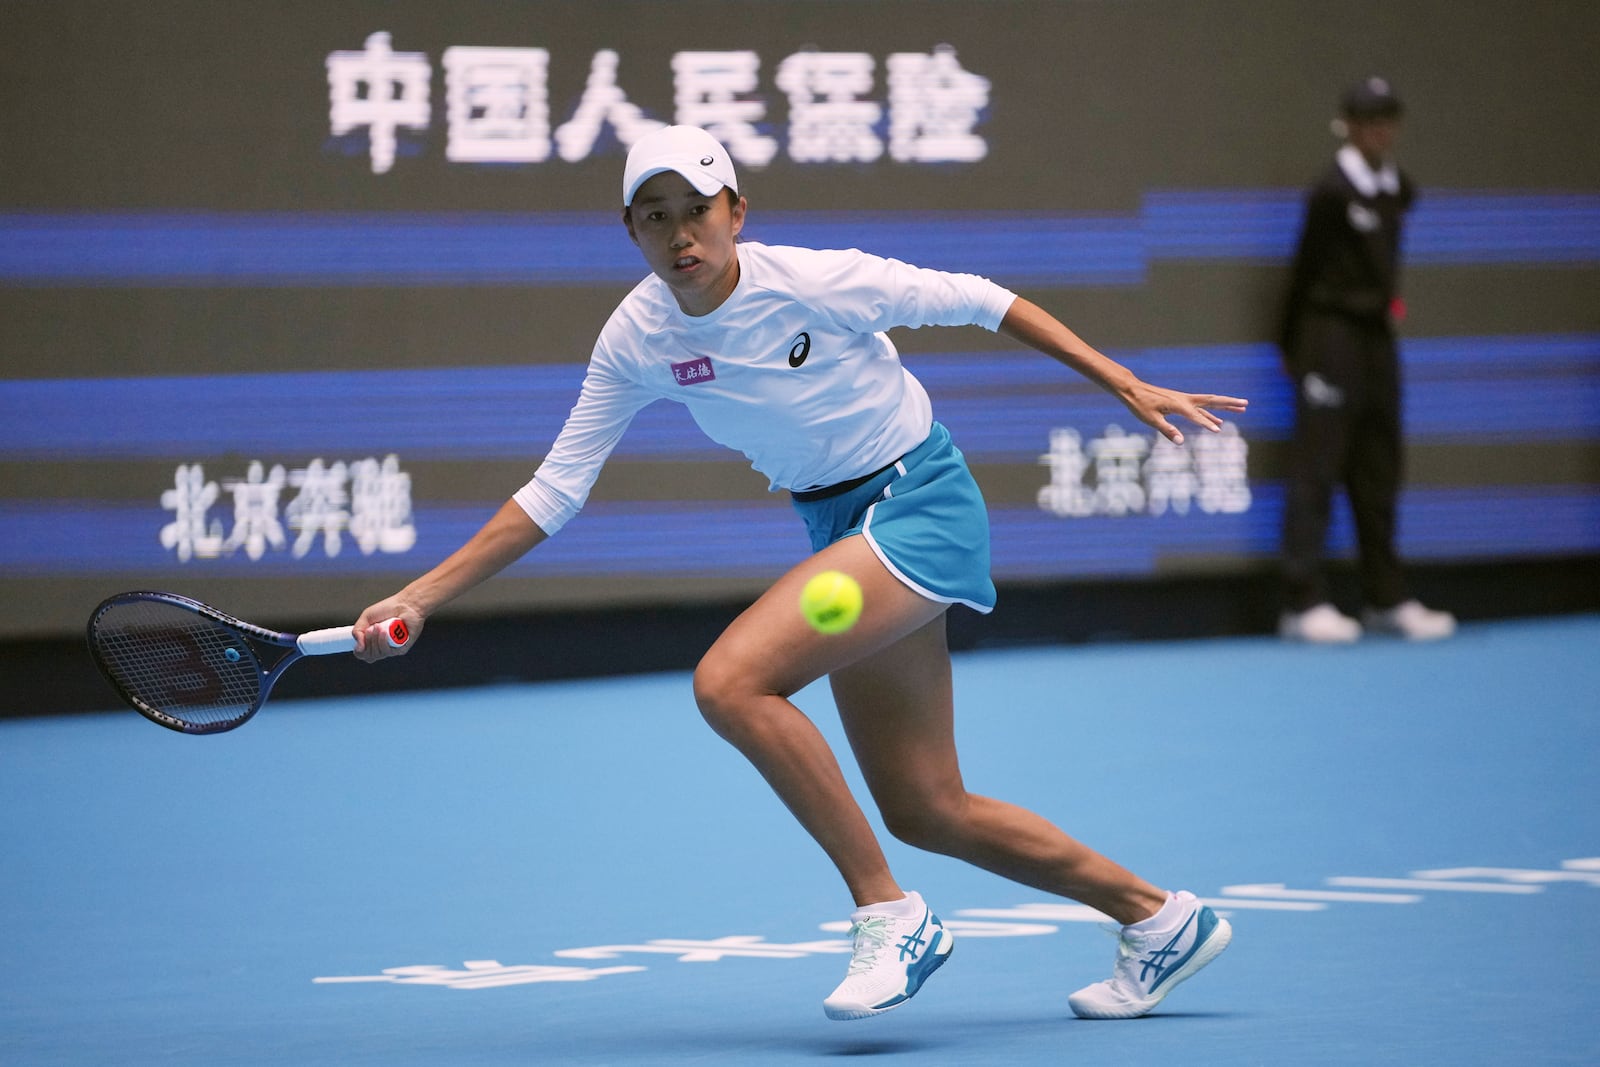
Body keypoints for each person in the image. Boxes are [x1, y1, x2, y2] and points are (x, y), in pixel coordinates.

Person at [351, 125, 1246, 1021]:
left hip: (916, 504)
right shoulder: (635, 337)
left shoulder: (814, 281)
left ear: (737, 212)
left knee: (730, 683)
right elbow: (555, 488)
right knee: (927, 806)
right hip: (837, 531)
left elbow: (980, 298)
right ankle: (1159, 918)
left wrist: (1121, 379)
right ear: (630, 231)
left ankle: (889, 913)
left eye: (698, 211)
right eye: (655, 218)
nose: (681, 235)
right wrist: (419, 596)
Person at [1276, 78, 1456, 643]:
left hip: (1378, 343)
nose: (1380, 129)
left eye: (1387, 119)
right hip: (1329, 340)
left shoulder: (1397, 185)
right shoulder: (1329, 193)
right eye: (1368, 119)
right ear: (1348, 125)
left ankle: (1386, 597)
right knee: (1318, 469)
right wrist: (1297, 350)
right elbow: (1303, 276)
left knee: (1380, 471)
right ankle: (1303, 603)